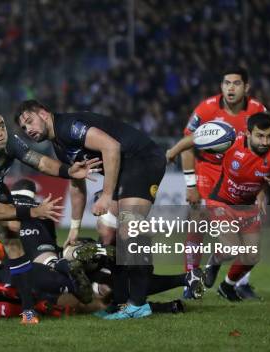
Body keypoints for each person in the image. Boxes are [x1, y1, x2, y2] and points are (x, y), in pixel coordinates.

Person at [15, 99, 167, 319]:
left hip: (142, 159)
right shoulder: (59, 146)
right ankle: (121, 301)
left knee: (130, 230)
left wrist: (106, 196)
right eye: (23, 127)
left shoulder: (68, 127)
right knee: (107, 235)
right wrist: (75, 228)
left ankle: (139, 304)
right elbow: (77, 183)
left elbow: (111, 146)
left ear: (44, 114)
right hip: (125, 169)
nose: (28, 129)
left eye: (30, 121)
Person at [0, 108, 99, 324]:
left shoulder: (9, 142)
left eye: (1, 127)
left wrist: (69, 171)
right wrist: (34, 211)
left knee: (13, 236)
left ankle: (29, 311)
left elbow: (38, 160)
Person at [167, 112, 270, 301]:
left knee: (252, 256)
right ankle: (214, 262)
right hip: (221, 202)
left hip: (247, 208)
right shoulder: (232, 140)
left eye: (269, 136)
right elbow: (195, 138)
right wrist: (172, 152)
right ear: (248, 134)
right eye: (260, 136)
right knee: (232, 248)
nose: (265, 142)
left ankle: (227, 286)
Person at [167, 67, 266, 299]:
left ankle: (236, 281)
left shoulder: (257, 111)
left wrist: (260, 189)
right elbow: (188, 143)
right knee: (197, 224)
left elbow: (263, 151)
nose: (230, 88)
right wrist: (190, 184)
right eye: (226, 83)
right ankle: (190, 283)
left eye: (236, 83)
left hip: (240, 177)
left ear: (246, 87)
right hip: (208, 173)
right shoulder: (206, 109)